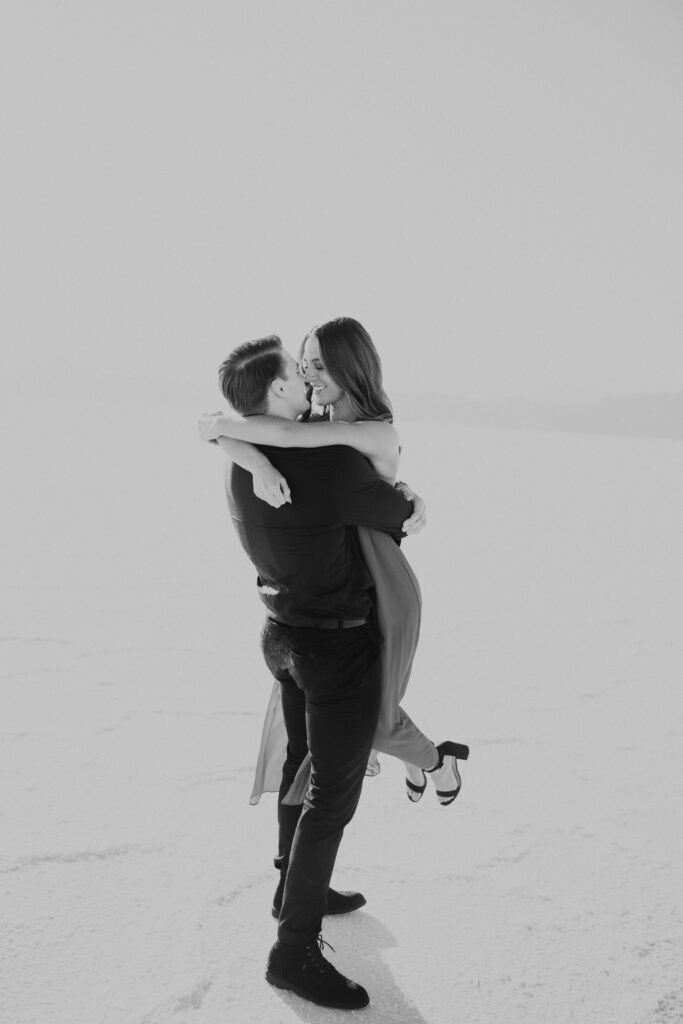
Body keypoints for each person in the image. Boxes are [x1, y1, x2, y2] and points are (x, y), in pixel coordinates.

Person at [210, 333, 427, 1009]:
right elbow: (401, 518)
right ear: (277, 392)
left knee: (299, 765)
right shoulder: (334, 465)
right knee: (329, 798)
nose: (307, 383)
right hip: (334, 650)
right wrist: (412, 500)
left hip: (281, 637)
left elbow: (238, 437)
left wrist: (233, 436)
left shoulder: (242, 459)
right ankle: (292, 951)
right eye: (296, 376)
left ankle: (291, 884)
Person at [199, 317, 469, 808]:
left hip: (383, 581)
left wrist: (222, 431)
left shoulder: (373, 432)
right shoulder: (313, 424)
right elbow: (257, 432)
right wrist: (248, 455)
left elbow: (277, 438)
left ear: (351, 366)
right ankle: (427, 758)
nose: (310, 375)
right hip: (346, 581)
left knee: (370, 714)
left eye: (320, 364)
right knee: (360, 707)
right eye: (304, 365)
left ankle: (433, 759)